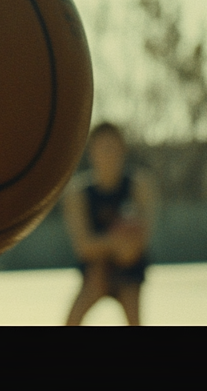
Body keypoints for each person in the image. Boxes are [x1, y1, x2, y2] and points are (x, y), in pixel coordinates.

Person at [63, 122, 157, 325]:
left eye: (113, 148)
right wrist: (116, 242)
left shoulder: (139, 185)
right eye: (103, 148)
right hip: (94, 273)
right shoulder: (78, 193)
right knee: (71, 320)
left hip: (129, 272)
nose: (108, 155)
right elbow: (83, 246)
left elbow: (135, 248)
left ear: (123, 150)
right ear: (91, 152)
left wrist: (105, 245)